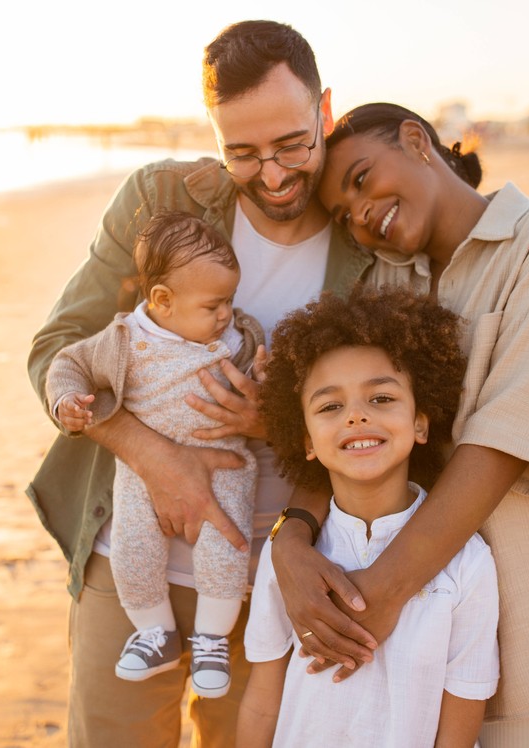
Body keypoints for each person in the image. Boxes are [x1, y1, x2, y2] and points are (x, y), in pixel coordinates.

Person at [27, 20, 372, 748]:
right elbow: (58, 348)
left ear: (326, 111)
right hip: (127, 560)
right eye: (242, 153)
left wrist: (276, 423)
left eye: (292, 146)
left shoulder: (371, 242)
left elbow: (391, 417)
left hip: (277, 578)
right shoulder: (159, 201)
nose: (273, 175)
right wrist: (160, 461)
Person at [270, 103, 529, 747]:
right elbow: (344, 432)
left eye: (361, 179)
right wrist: (291, 536)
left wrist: (376, 600)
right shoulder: (386, 286)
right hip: (421, 683)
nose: (359, 215)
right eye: (342, 214)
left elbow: (503, 446)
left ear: (417, 141)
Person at [237, 285, 500, 748]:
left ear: (421, 422)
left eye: (381, 399)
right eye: (330, 406)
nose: (356, 416)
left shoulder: (468, 564)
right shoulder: (289, 563)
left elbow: (462, 716)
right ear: (307, 443)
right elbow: (262, 702)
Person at [46, 210, 263, 697]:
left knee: (226, 550)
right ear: (162, 301)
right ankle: (154, 632)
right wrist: (67, 401)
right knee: (133, 548)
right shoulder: (125, 341)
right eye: (214, 305)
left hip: (224, 463)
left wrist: (267, 388)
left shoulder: (238, 339)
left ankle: (212, 639)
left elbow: (268, 385)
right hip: (141, 473)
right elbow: (68, 361)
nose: (226, 313)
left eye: (230, 299)